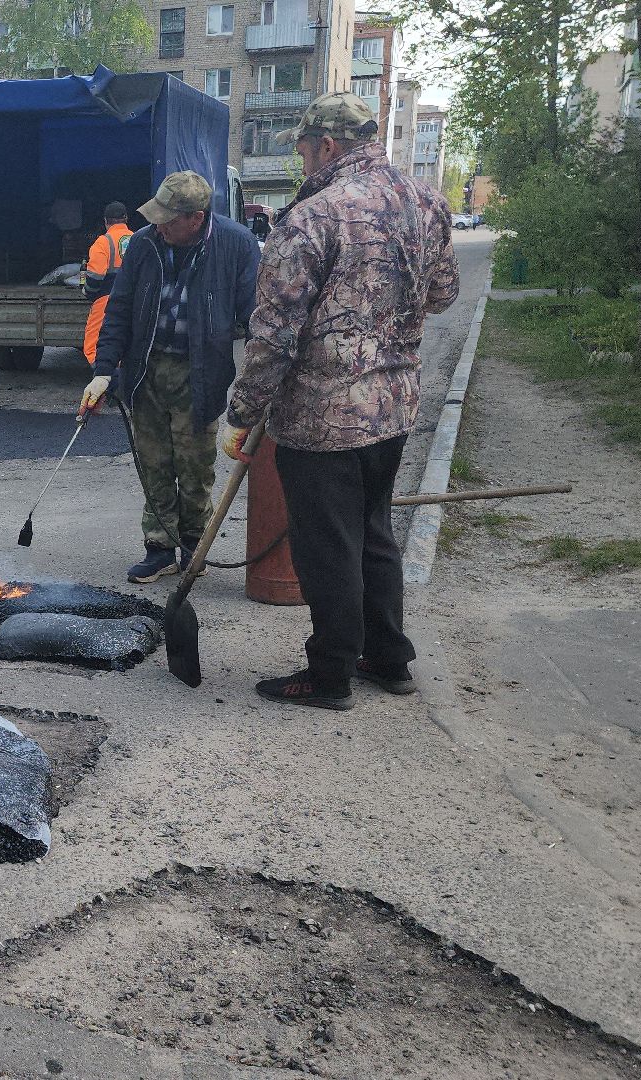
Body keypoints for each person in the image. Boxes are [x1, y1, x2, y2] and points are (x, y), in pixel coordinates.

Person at [219, 92, 460, 710]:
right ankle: (388, 658)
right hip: (393, 406)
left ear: (326, 144)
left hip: (324, 416)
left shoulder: (311, 216)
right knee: (374, 532)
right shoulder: (425, 201)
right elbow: (443, 293)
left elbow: (273, 332)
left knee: (327, 546)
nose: (300, 160)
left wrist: (244, 412)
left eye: (301, 148)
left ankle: (328, 675)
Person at [81, 172, 261, 584]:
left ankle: (193, 547)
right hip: (147, 370)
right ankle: (159, 549)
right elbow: (119, 308)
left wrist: (260, 382)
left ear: (196, 218)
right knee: (154, 463)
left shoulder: (235, 244)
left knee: (195, 466)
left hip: (201, 373)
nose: (158, 225)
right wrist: (104, 370)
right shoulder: (145, 243)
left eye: (168, 219)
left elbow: (255, 318)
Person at [80, 202, 134, 365]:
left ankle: (105, 384)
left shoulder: (102, 243)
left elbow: (95, 277)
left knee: (93, 347)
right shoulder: (139, 238)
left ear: (105, 221)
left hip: (105, 301)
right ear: (126, 218)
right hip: (135, 301)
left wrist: (88, 293)